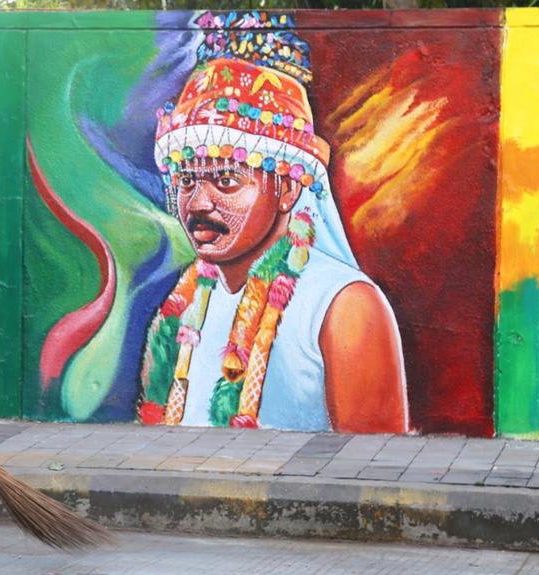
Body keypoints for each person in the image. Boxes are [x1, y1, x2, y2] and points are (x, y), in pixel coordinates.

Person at [137, 12, 407, 433]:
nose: (199, 202)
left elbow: (375, 475)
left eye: (227, 180)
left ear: (287, 189)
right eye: (187, 180)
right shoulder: (187, 298)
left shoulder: (345, 308)